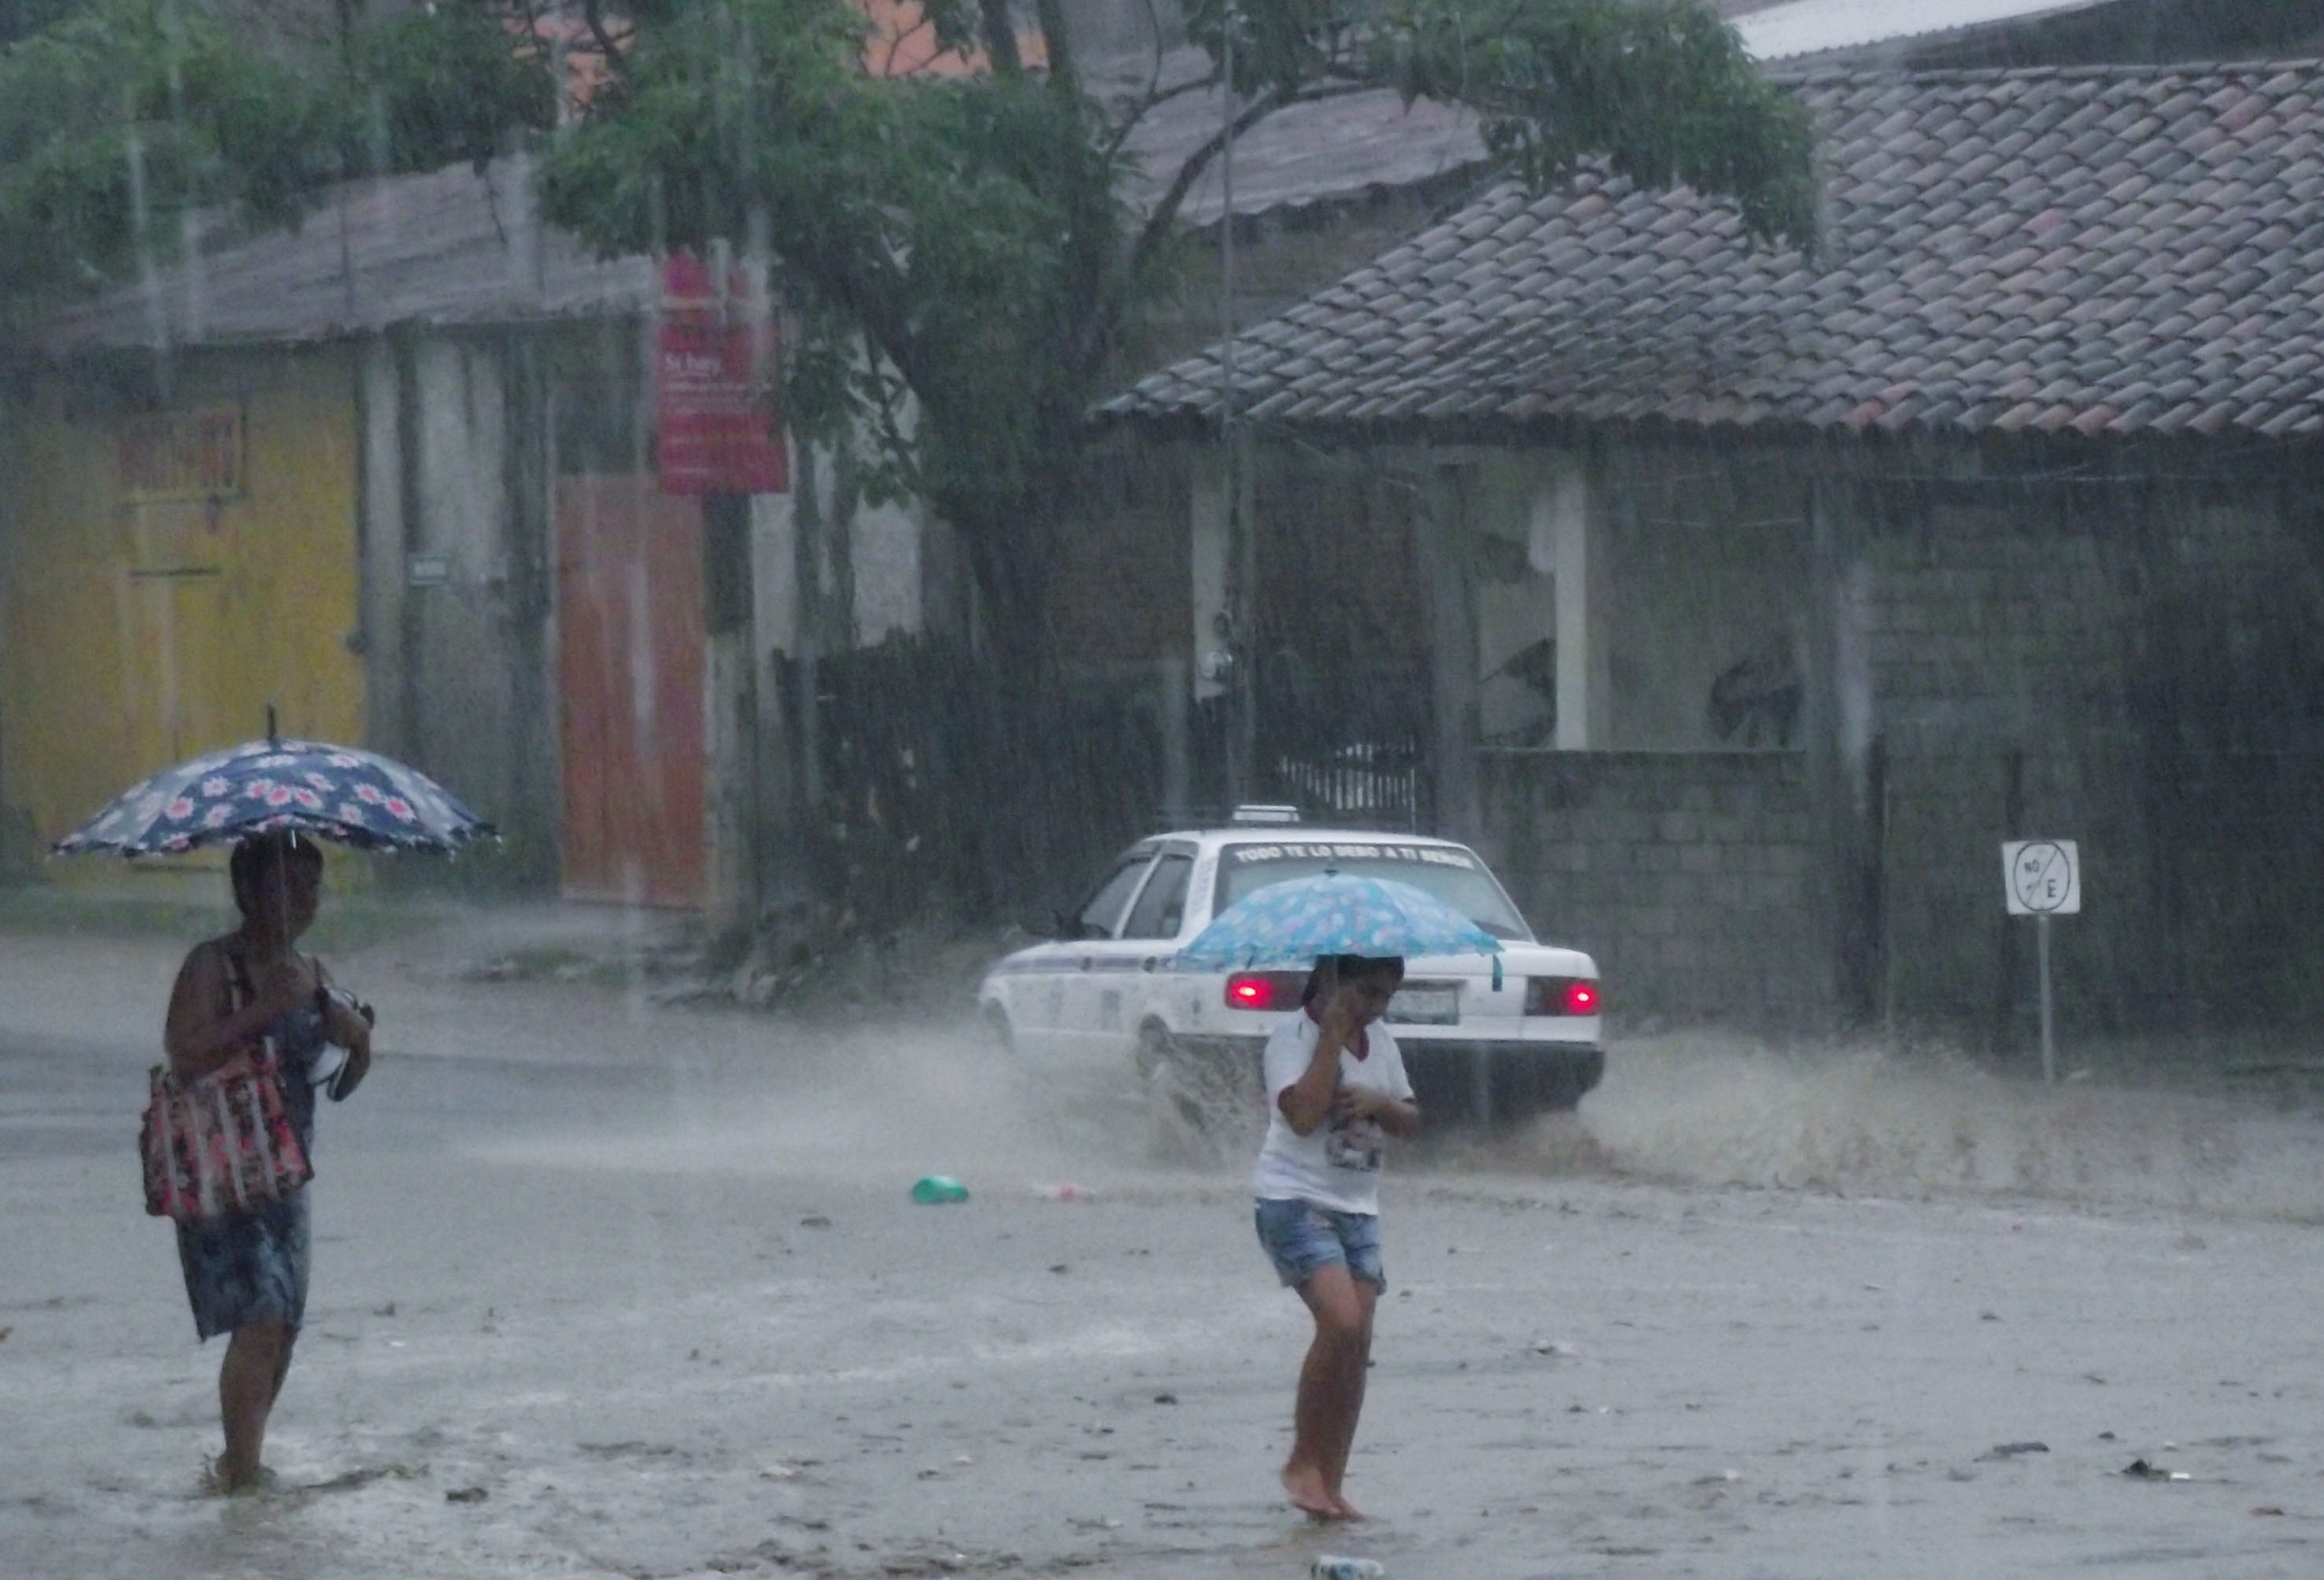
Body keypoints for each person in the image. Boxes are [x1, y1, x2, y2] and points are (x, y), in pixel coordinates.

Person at [161, 832, 372, 1493]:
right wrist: (261, 1011)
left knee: (285, 1326)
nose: (304, 900)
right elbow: (186, 1057)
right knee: (262, 1312)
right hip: (225, 1167)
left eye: (312, 886)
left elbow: (336, 1079)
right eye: (288, 885)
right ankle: (244, 1476)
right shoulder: (211, 965)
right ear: (248, 891)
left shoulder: (313, 972)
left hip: (289, 1172)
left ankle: (238, 1460)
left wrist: (359, 1043)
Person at [1251, 954, 1421, 1521]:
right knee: (1341, 1322)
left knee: (1357, 1344)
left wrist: (1380, 1104)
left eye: (1384, 998)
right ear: (1329, 982)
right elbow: (1300, 1117)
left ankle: (1330, 1480)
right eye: (1364, 994)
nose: (1373, 1008)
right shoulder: (1291, 1038)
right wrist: (1331, 1037)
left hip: (1357, 1209)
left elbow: (1412, 1121)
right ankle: (1302, 1461)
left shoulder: (1385, 1044)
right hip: (1294, 1201)